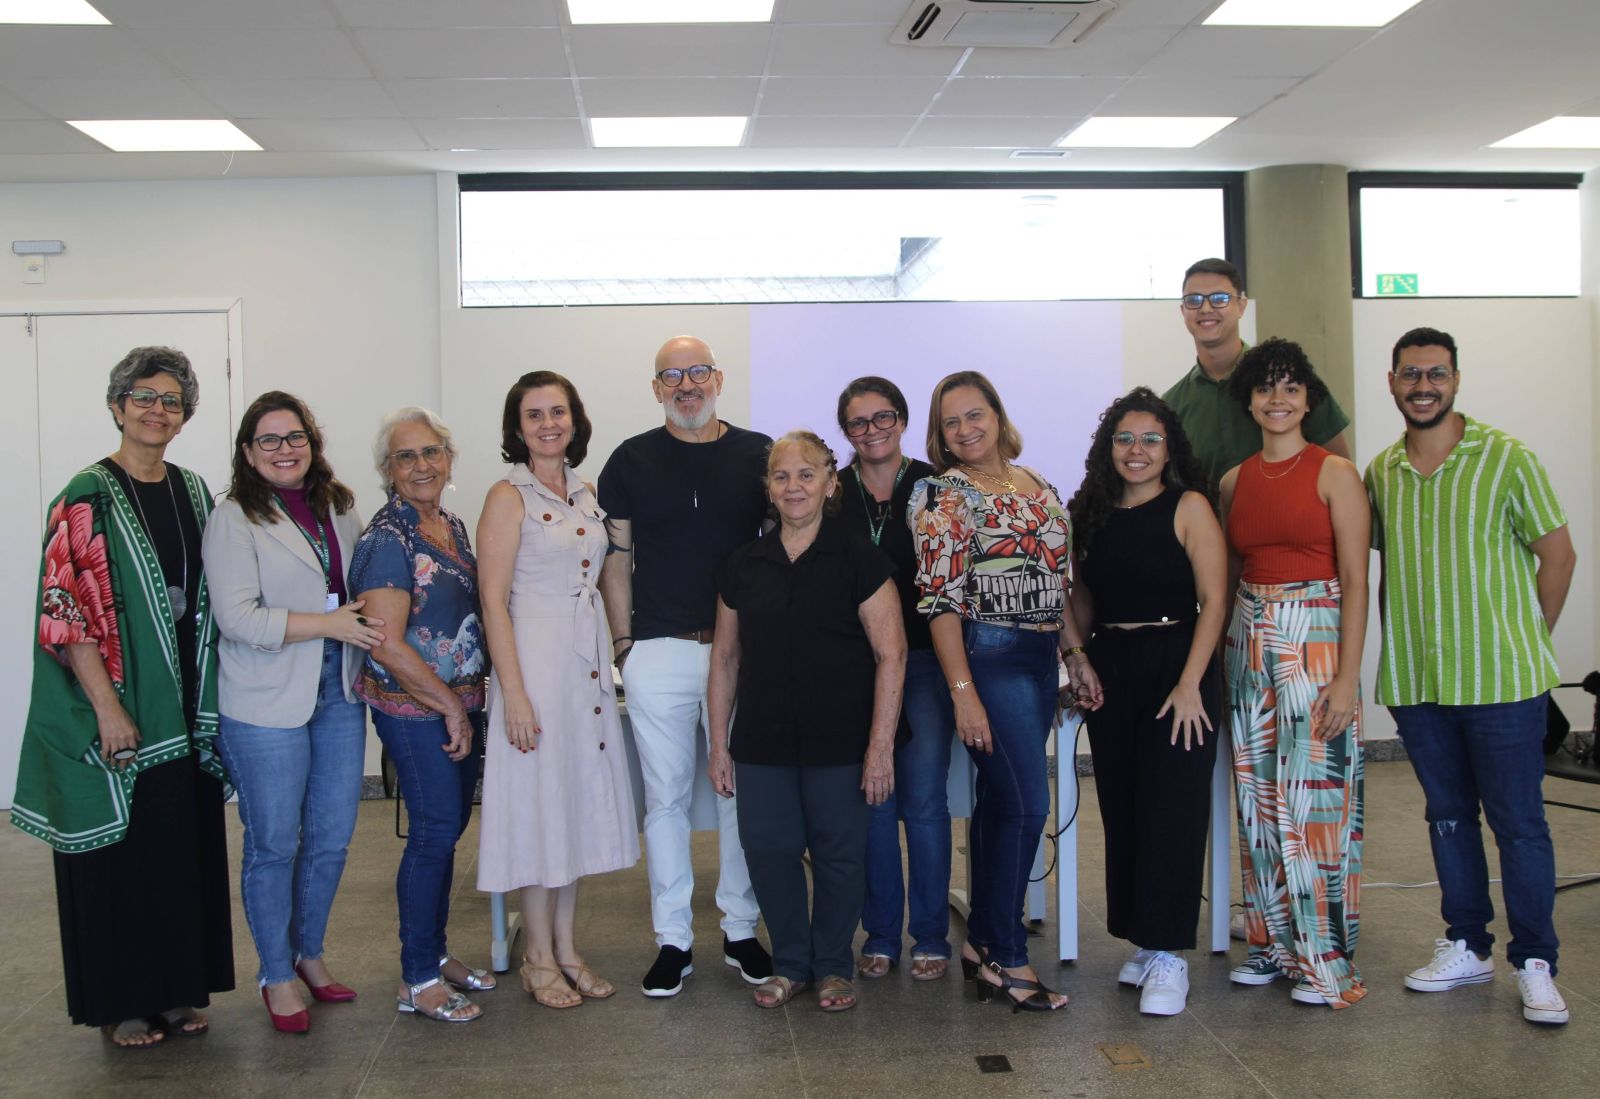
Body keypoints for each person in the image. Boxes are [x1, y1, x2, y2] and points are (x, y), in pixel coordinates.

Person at [12, 346, 233, 1048]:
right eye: (143, 397)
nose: (156, 410)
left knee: (177, 850)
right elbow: (66, 610)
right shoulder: (86, 495)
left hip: (183, 706)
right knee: (122, 859)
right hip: (118, 708)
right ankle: (123, 1002)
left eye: (171, 401)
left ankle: (176, 990)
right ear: (116, 406)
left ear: (185, 416)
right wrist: (108, 708)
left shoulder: (193, 491)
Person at [1366, 327, 1576, 1026]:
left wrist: (1528, 638)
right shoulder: (1382, 472)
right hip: (1420, 683)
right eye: (1410, 374)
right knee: (1448, 817)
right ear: (1392, 382)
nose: (1423, 386)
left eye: (1436, 374)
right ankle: (1467, 943)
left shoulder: (1507, 457)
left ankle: (1535, 961)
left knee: (1519, 824)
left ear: (1455, 379)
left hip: (1503, 684)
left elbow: (1558, 555)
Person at [911, 370, 1100, 1013]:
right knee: (1026, 805)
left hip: (1040, 655)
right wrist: (963, 691)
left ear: (997, 414)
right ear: (940, 435)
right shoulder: (942, 494)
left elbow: (1056, 580)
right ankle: (1008, 959)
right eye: (951, 422)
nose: (966, 429)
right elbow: (939, 602)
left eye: (975, 414)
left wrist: (1074, 654)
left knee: (1001, 803)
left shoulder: (1036, 483)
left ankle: (983, 945)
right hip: (988, 656)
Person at [597, 335, 773, 997]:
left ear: (718, 379)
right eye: (672, 376)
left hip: (741, 652)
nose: (687, 384)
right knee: (665, 799)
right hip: (658, 649)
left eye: (698, 371)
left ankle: (740, 928)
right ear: (656, 389)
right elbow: (616, 558)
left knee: (739, 793)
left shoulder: (760, 455)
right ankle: (672, 938)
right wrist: (624, 646)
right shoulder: (630, 459)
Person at [708, 431, 905, 1012]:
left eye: (806, 474)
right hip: (761, 740)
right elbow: (724, 658)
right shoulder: (743, 563)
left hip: (841, 739)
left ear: (829, 483)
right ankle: (792, 964)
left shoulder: (860, 559)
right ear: (768, 488)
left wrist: (880, 748)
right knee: (768, 851)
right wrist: (718, 745)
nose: (793, 486)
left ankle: (834, 965)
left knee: (840, 854)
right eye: (781, 476)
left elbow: (891, 654)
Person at [203, 391, 375, 1034]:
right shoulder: (233, 518)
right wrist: (327, 623)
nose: (284, 449)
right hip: (264, 699)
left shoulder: (340, 506)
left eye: (295, 436)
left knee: (330, 838)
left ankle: (310, 954)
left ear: (313, 441)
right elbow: (238, 619)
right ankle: (275, 973)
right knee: (275, 843)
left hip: (338, 690)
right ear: (249, 452)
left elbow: (359, 590)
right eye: (269, 440)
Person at [477, 373, 640, 1010]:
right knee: (539, 808)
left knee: (572, 804)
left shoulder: (584, 491)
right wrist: (514, 693)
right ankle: (537, 958)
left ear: (575, 420)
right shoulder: (506, 496)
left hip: (584, 667)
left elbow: (602, 576)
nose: (549, 424)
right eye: (535, 414)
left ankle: (568, 950)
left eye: (558, 412)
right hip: (535, 665)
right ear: (517, 428)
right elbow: (493, 602)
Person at [1218, 338, 1370, 1009]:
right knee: (1257, 797)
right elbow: (1229, 575)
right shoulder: (1233, 481)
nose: (1277, 399)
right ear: (1249, 401)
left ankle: (1323, 954)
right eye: (1265, 388)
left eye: (1290, 388)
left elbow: (1358, 579)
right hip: (1249, 641)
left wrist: (1347, 677)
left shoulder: (1335, 472)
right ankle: (1270, 943)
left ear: (1309, 400)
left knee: (1315, 801)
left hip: (1317, 640)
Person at [1067, 387, 1227, 1016]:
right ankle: (1144, 936)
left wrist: (1190, 684)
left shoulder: (1189, 507)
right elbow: (1078, 597)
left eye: (1150, 439)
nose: (1137, 450)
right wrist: (1076, 659)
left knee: (1171, 808)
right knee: (1125, 805)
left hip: (1177, 667)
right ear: (1108, 447)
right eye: (1125, 439)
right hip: (1113, 666)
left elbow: (1213, 600)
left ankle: (1170, 953)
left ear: (1169, 448)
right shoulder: (1091, 511)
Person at [348, 408, 494, 1024]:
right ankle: (418, 978)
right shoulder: (388, 539)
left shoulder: (450, 525)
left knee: (448, 827)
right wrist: (448, 707)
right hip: (416, 710)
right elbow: (385, 643)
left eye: (431, 452)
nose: (421, 465)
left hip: (459, 703)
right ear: (388, 470)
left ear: (449, 458)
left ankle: (435, 954)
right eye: (405, 457)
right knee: (433, 832)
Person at [835, 377, 956, 983]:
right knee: (874, 801)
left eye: (883, 417)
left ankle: (930, 935)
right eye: (858, 422)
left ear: (903, 420)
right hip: (858, 668)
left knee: (926, 801)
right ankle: (881, 934)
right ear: (846, 431)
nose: (872, 430)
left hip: (927, 662)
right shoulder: (833, 493)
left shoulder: (937, 486)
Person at [1163, 257, 1351, 489]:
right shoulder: (1171, 405)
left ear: (1241, 306)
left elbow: (1341, 469)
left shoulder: (1290, 382)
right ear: (1183, 310)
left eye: (1220, 299)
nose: (1206, 308)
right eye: (1194, 300)